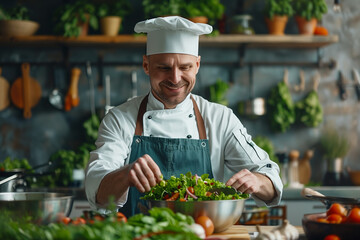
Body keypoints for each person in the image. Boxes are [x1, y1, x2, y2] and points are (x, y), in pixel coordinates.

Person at [85, 16, 283, 217]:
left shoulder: (220, 119)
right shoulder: (119, 120)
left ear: (197, 65)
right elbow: (97, 192)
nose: (175, 78)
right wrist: (126, 174)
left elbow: (271, 180)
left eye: (185, 67)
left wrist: (257, 181)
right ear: (146, 65)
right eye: (164, 68)